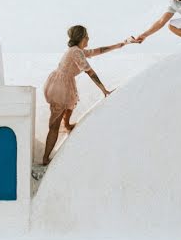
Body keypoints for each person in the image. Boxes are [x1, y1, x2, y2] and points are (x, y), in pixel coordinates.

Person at [41, 25, 128, 165]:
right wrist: (104, 89)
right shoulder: (76, 52)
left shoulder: (78, 51)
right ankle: (45, 158)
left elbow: (97, 51)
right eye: (86, 36)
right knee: (54, 125)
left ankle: (67, 125)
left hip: (64, 83)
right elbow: (90, 72)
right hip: (60, 86)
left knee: (69, 105)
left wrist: (118, 45)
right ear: (81, 38)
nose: (88, 38)